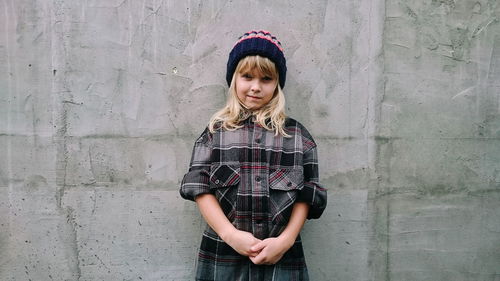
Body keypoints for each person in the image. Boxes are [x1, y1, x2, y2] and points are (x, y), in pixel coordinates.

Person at [180, 30, 327, 281]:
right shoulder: (215, 133)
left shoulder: (297, 136)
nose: (255, 87)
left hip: (282, 257)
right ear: (234, 79)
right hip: (222, 254)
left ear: (277, 84)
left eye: (266, 79)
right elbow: (198, 187)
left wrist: (285, 240)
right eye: (247, 76)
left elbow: (309, 194)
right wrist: (230, 235)